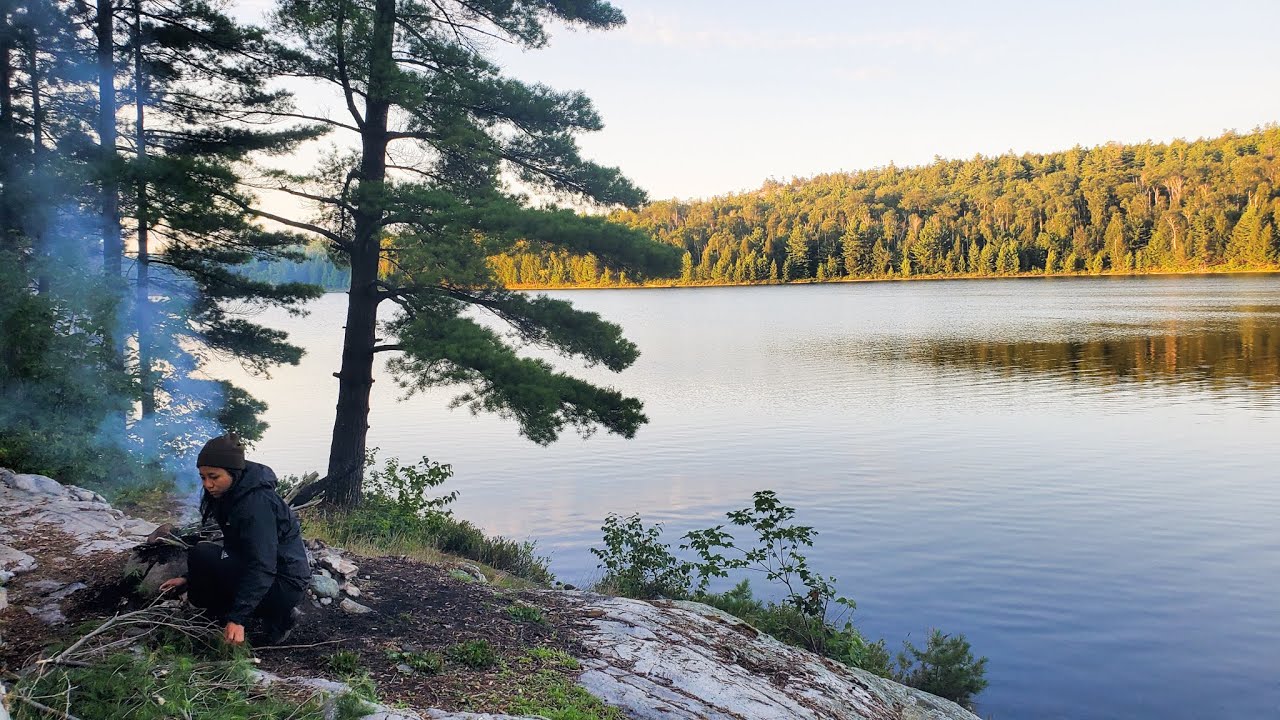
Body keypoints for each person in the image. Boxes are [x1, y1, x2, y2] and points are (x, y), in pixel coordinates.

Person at [158, 434, 310, 645]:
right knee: (201, 555)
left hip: (283, 583)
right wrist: (189, 579)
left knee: (204, 556)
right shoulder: (231, 494)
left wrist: (238, 618)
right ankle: (217, 616)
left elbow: (264, 565)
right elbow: (236, 548)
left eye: (214, 476)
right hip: (263, 570)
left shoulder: (256, 505)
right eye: (203, 477)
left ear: (233, 472)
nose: (208, 484)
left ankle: (279, 617)